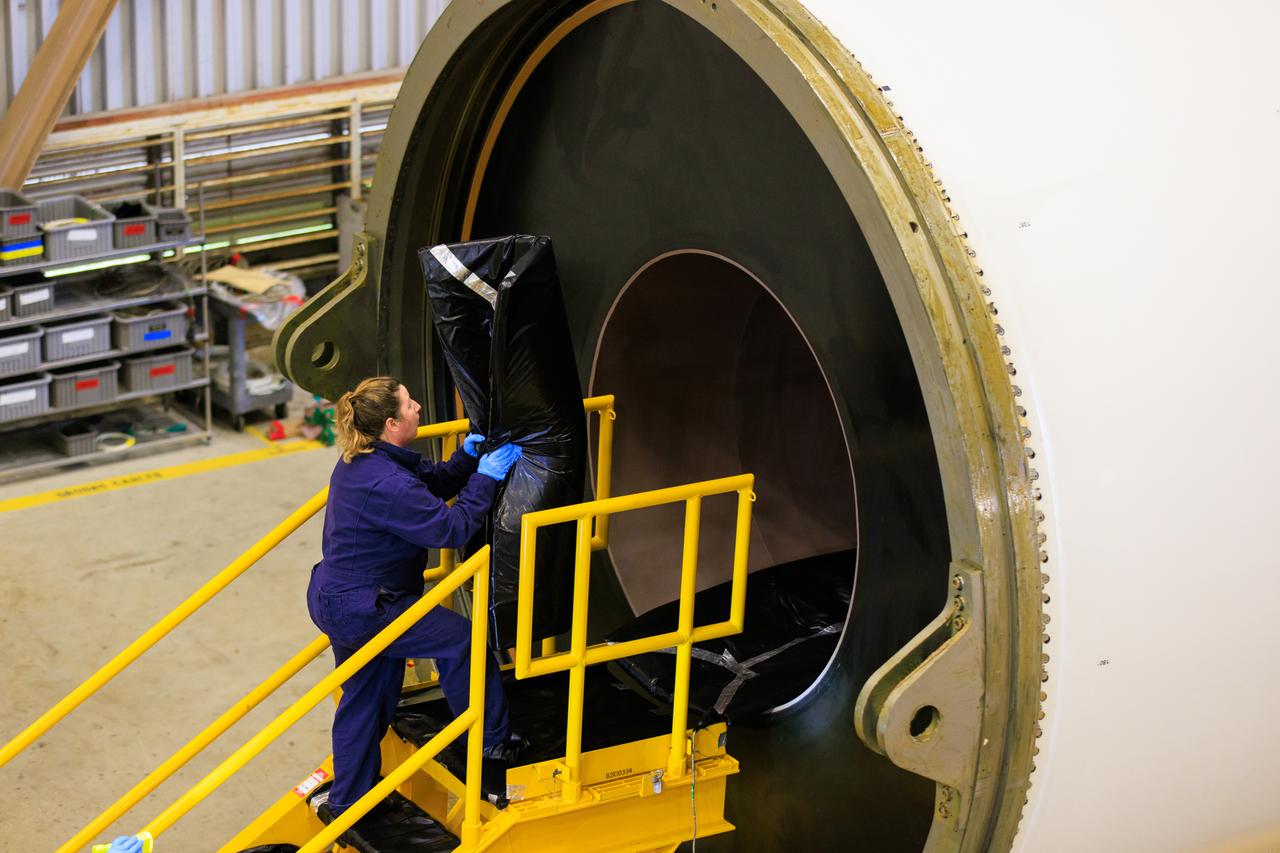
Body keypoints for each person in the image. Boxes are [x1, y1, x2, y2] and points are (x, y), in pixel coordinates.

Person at [306, 376, 524, 819]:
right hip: (369, 608)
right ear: (391, 423)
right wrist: (487, 478)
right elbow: (452, 528)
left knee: (366, 697)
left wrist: (466, 458)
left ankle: (350, 801)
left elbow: (432, 483)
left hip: (338, 598)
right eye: (409, 406)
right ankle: (491, 742)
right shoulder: (386, 482)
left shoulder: (365, 459)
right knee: (460, 640)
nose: (419, 407)